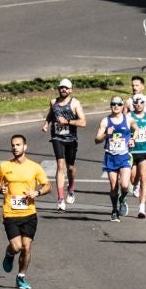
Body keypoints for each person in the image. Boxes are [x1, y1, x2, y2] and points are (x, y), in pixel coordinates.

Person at [0, 133, 49, 289]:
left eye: (18, 145)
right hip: (10, 213)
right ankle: (10, 254)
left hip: (29, 213)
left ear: (25, 146)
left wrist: (37, 193)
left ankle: (21, 276)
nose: (15, 147)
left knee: (26, 247)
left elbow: (47, 185)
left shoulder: (34, 167)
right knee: (16, 247)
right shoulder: (4, 167)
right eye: (13, 145)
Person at [44, 79, 86, 208]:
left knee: (70, 167)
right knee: (60, 165)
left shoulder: (75, 103)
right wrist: (46, 124)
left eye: (66, 88)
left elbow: (83, 122)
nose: (63, 90)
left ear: (71, 90)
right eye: (61, 87)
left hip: (71, 139)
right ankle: (60, 198)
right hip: (57, 138)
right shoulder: (53, 102)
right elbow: (51, 115)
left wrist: (67, 121)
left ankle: (71, 188)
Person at [95, 96, 136, 222]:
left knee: (124, 185)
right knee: (113, 187)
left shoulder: (128, 119)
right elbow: (97, 139)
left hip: (124, 157)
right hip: (110, 157)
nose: (116, 106)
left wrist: (133, 138)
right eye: (113, 103)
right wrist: (106, 133)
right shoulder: (105, 121)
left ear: (122, 106)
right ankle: (114, 210)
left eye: (119, 104)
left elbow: (137, 128)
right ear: (110, 105)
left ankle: (122, 199)